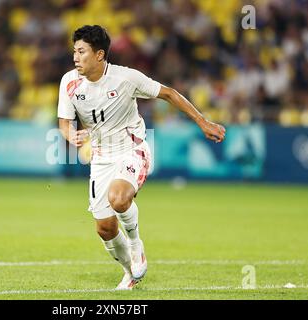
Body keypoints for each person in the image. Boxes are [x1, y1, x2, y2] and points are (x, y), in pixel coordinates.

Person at [57, 25, 225, 290]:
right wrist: (70, 135)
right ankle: (129, 273)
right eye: (74, 51)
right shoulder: (69, 82)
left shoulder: (126, 78)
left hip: (132, 149)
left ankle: (137, 245)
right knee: (104, 229)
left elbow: (168, 93)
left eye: (81, 51)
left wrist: (203, 123)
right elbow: (64, 122)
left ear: (99, 55)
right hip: (101, 157)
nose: (75, 57)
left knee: (119, 197)